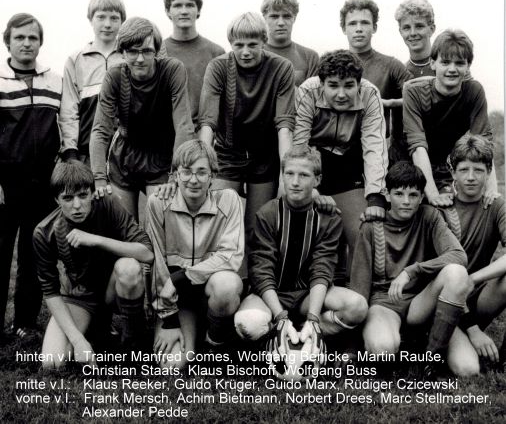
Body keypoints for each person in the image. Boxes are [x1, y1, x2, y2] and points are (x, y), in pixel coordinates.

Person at [234, 145, 367, 346]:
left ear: (317, 180)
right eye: (289, 174)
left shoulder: (329, 217)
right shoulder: (267, 214)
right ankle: (281, 332)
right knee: (248, 323)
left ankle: (308, 332)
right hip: (273, 294)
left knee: (357, 307)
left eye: (304, 175)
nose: (295, 182)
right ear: (282, 176)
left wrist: (313, 317)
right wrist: (280, 315)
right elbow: (261, 271)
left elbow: (322, 269)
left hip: (308, 296)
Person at [350, 161, 469, 373]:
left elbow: (458, 255)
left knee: (468, 368)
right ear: (387, 195)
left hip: (420, 303)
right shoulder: (371, 226)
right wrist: (351, 347)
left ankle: (431, 359)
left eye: (413, 195)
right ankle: (408, 341)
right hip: (384, 304)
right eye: (399, 194)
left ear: (422, 197)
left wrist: (411, 271)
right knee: (382, 349)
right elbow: (359, 287)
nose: (406, 201)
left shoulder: (429, 216)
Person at [198, 12, 295, 272]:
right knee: (217, 220)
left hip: (265, 156)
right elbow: (208, 122)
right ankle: (217, 282)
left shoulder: (281, 68)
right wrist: (203, 166)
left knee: (257, 226)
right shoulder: (218, 67)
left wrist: (286, 175)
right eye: (238, 45)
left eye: (252, 44)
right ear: (231, 44)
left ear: (264, 40)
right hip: (227, 153)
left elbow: (285, 125)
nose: (245, 52)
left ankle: (254, 283)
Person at [34, 161, 153, 367]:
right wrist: (77, 340)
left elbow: (147, 253)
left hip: (114, 289)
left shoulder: (107, 203)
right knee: (52, 362)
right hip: (81, 297)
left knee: (129, 268)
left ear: (92, 193)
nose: (77, 205)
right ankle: (95, 330)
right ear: (56, 200)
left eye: (83, 195)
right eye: (67, 198)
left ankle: (134, 337)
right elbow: (50, 292)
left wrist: (95, 240)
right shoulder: (44, 232)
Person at [145, 140, 243, 369]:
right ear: (175, 175)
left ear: (213, 175)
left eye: (201, 172)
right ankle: (188, 331)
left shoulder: (229, 200)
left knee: (227, 286)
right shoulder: (158, 203)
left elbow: (231, 255)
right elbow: (156, 261)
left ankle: (214, 341)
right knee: (172, 365)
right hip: (178, 300)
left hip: (209, 291)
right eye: (186, 171)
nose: (194, 179)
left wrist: (182, 277)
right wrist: (169, 320)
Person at [90, 17, 194, 219]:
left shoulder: (172, 70)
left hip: (161, 156)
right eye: (132, 51)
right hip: (125, 156)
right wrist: (99, 177)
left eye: (147, 51)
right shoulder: (115, 76)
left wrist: (175, 174)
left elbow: (184, 125)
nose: (140, 59)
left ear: (156, 51)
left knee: (160, 223)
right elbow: (101, 129)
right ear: (122, 52)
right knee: (125, 226)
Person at [293, 50, 388, 270]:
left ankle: (355, 288)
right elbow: (299, 145)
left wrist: (375, 195)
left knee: (361, 232)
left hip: (348, 160)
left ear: (359, 84)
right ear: (322, 83)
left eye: (349, 85)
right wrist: (310, 188)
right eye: (333, 85)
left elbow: (374, 146)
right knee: (308, 232)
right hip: (313, 161)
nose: (341, 94)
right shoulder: (308, 90)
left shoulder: (370, 93)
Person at [0, 13, 62, 338]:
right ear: (7, 42)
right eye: (20, 37)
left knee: (33, 254)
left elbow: (66, 126)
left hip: (42, 183)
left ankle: (25, 322)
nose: (27, 43)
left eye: (33, 38)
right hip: (5, 184)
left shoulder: (55, 81)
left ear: (40, 42)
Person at [403, 29, 497, 208]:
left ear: (468, 66)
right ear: (433, 63)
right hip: (407, 163)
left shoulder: (474, 91)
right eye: (445, 62)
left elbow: (483, 144)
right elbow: (417, 146)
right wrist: (432, 194)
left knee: (454, 211)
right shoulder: (413, 91)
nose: (452, 69)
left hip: (444, 167)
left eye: (459, 63)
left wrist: (491, 190)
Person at [439, 135, 506, 376]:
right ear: (453, 172)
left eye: (478, 170)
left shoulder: (496, 206)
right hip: (444, 302)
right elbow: (437, 279)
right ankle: (444, 338)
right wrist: (474, 330)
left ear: (488, 172)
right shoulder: (440, 208)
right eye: (463, 170)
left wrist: (473, 279)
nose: (470, 177)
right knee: (467, 368)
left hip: (476, 297)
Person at [340, 0, 411, 162]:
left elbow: (419, 96)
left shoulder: (391, 65)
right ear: (344, 28)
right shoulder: (332, 64)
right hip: (340, 151)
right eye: (352, 23)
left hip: (379, 152)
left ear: (374, 27)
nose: (359, 29)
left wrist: (390, 103)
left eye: (365, 23)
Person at [59, 0, 126, 163]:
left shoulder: (130, 58)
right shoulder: (76, 60)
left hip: (126, 153)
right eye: (101, 17)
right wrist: (70, 150)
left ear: (122, 21)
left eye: (114, 18)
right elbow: (69, 110)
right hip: (87, 153)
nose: (107, 24)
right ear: (90, 19)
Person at [158, 0, 225, 126]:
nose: (184, 11)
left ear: (198, 10)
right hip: (168, 132)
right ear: (168, 11)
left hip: (207, 133)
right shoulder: (158, 52)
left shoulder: (216, 53)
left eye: (190, 5)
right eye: (177, 5)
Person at [261, 0, 319, 86]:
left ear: (294, 18)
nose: (281, 23)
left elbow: (313, 94)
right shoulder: (254, 54)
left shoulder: (310, 57)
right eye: (274, 16)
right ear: (265, 18)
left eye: (286, 16)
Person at [394, 0, 436, 78]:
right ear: (401, 32)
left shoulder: (446, 70)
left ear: (431, 29)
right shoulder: (399, 74)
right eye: (406, 28)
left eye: (419, 26)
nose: (412, 33)